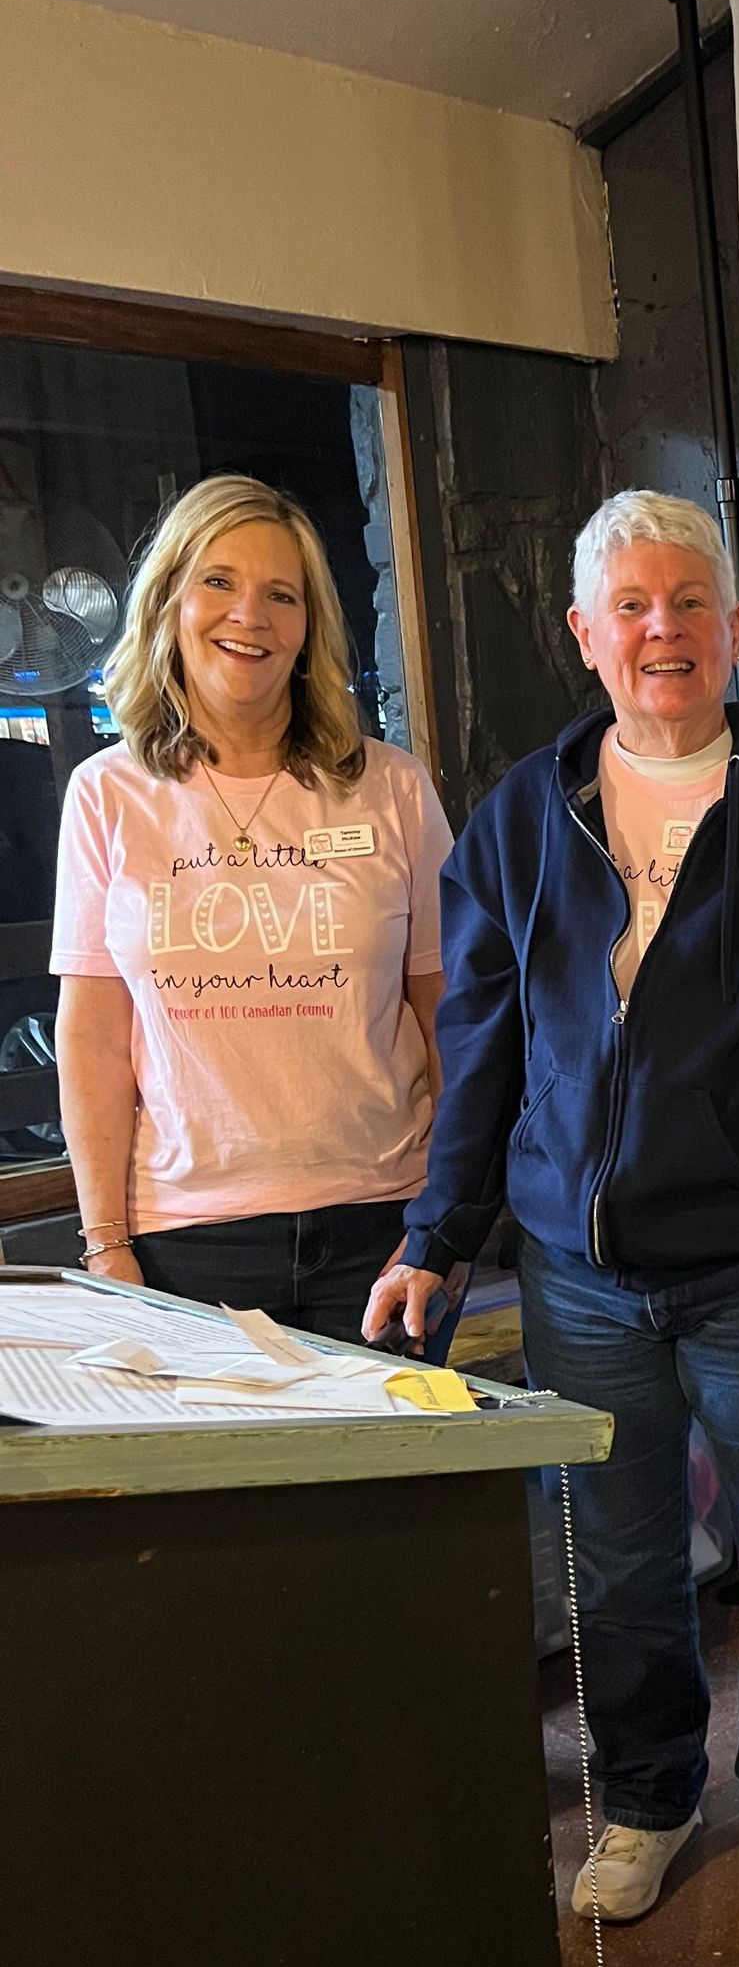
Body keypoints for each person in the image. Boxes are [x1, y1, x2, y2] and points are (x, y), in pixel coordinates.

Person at [365, 490, 739, 1955]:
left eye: (689, 604)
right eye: (633, 608)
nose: (662, 631)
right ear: (585, 636)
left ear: (733, 627)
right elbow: (479, 1049)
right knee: (617, 1562)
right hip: (580, 1280)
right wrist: (437, 1232)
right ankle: (650, 1802)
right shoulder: (519, 817)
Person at [52, 473, 453, 1345]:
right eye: (219, 583)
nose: (251, 615)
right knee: (229, 1488)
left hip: (381, 1226)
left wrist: (447, 1224)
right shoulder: (106, 795)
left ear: (310, 628)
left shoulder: (392, 788)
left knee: (389, 1485)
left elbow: (446, 1012)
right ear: (168, 604)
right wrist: (104, 1243)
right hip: (182, 1244)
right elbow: (91, 1035)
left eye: (283, 594)